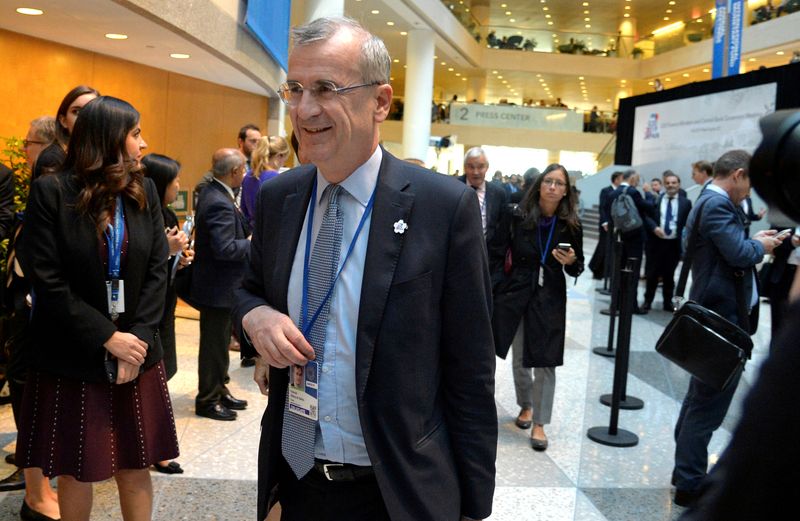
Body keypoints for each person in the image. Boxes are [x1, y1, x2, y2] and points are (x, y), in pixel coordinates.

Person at [232, 16, 497, 521]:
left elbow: (470, 373)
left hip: (397, 489)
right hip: (298, 479)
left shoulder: (443, 208)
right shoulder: (279, 198)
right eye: (295, 89)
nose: (304, 110)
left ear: (380, 102)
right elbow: (247, 290)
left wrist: (472, 508)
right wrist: (255, 317)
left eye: (326, 88)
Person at [17, 95, 179, 521]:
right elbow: (47, 279)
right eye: (135, 133)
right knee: (78, 468)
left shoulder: (142, 190)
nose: (142, 144)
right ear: (109, 139)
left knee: (135, 463)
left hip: (137, 357)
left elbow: (157, 273)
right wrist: (108, 337)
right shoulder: (51, 191)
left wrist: (137, 342)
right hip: (74, 354)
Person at [671, 150, 784, 507]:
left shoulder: (711, 201)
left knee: (698, 400)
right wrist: (760, 246)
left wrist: (754, 240)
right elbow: (737, 253)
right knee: (707, 407)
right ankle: (689, 482)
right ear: (737, 175)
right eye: (749, 183)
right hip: (720, 319)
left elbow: (730, 247)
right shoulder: (717, 204)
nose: (749, 192)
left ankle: (684, 471)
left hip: (717, 317)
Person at [491, 164, 584, 451]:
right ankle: (526, 406)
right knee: (520, 356)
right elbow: (496, 252)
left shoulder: (570, 223)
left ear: (566, 190)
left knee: (545, 360)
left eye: (559, 183)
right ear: (540, 185)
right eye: (548, 181)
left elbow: (578, 266)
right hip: (518, 291)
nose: (553, 187)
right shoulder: (517, 215)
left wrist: (571, 263)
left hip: (550, 295)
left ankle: (540, 423)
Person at [0, 116, 59, 519]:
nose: (24, 149)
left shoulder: (49, 187)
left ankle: (36, 477)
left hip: (42, 313)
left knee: (31, 388)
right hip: (21, 307)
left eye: (29, 142)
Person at [141, 153, 193, 476]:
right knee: (153, 377)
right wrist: (167, 251)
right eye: (173, 181)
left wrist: (179, 260)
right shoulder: (143, 213)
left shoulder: (169, 214)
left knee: (163, 373)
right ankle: (150, 448)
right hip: (148, 311)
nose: (178, 187)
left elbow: (164, 268)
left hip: (166, 304)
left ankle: (154, 446)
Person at [191, 149, 251, 421]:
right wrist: (251, 244)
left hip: (221, 287)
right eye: (244, 169)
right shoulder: (218, 200)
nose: (246, 174)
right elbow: (225, 248)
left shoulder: (216, 191)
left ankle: (220, 388)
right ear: (235, 171)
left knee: (220, 344)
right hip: (217, 287)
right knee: (214, 347)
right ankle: (207, 399)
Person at [459, 147, 510, 285]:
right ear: (464, 167)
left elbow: (502, 228)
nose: (476, 172)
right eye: (471, 167)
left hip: (489, 258)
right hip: (458, 254)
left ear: (487, 167)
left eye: (480, 167)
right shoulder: (454, 186)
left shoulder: (499, 193)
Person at [642, 172, 692, 312]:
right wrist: (654, 227)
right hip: (656, 243)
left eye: (673, 183)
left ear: (679, 185)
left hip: (673, 245)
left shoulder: (686, 203)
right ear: (664, 184)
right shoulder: (656, 199)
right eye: (668, 183)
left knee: (669, 276)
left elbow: (688, 223)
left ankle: (667, 303)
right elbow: (647, 216)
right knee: (652, 274)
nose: (671, 185)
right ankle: (647, 302)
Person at [609, 169, 654, 314]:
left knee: (618, 271)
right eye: (637, 178)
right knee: (633, 273)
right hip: (635, 237)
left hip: (619, 236)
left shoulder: (613, 193)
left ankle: (615, 304)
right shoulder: (633, 192)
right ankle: (630, 306)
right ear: (632, 178)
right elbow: (649, 207)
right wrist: (648, 193)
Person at [33, 85, 100, 181]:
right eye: (76, 111)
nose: (85, 117)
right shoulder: (52, 159)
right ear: (63, 120)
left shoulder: (108, 160)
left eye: (92, 111)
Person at [241, 135, 290, 228]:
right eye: (285, 158)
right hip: (271, 233)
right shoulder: (276, 178)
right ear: (280, 155)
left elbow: (244, 210)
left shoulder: (248, 176)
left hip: (253, 232)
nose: (284, 163)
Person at [589, 171, 622, 279]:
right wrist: (604, 221)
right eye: (621, 178)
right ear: (616, 179)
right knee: (603, 246)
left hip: (615, 224)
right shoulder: (606, 191)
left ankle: (606, 271)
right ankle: (595, 268)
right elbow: (602, 207)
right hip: (606, 224)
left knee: (610, 248)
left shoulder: (620, 191)